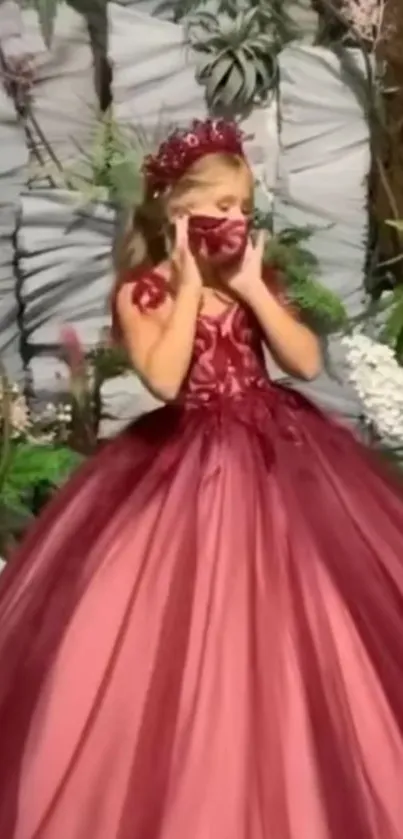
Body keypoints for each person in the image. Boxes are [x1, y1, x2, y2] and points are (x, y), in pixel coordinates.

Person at [1, 118, 403, 839]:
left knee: (303, 608)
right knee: (187, 619)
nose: (235, 221)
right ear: (176, 211)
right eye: (220, 207)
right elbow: (162, 377)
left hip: (280, 450)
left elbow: (305, 362)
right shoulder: (143, 292)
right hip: (186, 463)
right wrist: (187, 285)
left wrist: (251, 287)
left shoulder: (251, 278)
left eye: (244, 208)